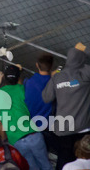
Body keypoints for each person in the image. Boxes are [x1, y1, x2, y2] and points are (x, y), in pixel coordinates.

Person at [0, 64, 51, 170]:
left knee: (31, 167)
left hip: (16, 140)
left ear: (4, 78)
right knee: (46, 165)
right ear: (18, 78)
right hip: (34, 134)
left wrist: (4, 141)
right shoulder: (24, 89)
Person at [42, 42, 90, 170]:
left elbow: (46, 98)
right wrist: (85, 49)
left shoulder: (57, 77)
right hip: (83, 128)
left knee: (64, 159)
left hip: (63, 128)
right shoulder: (85, 73)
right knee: (85, 156)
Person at [24, 54, 54, 151]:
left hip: (30, 123)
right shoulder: (53, 83)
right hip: (47, 125)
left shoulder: (28, 82)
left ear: (37, 65)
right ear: (51, 66)